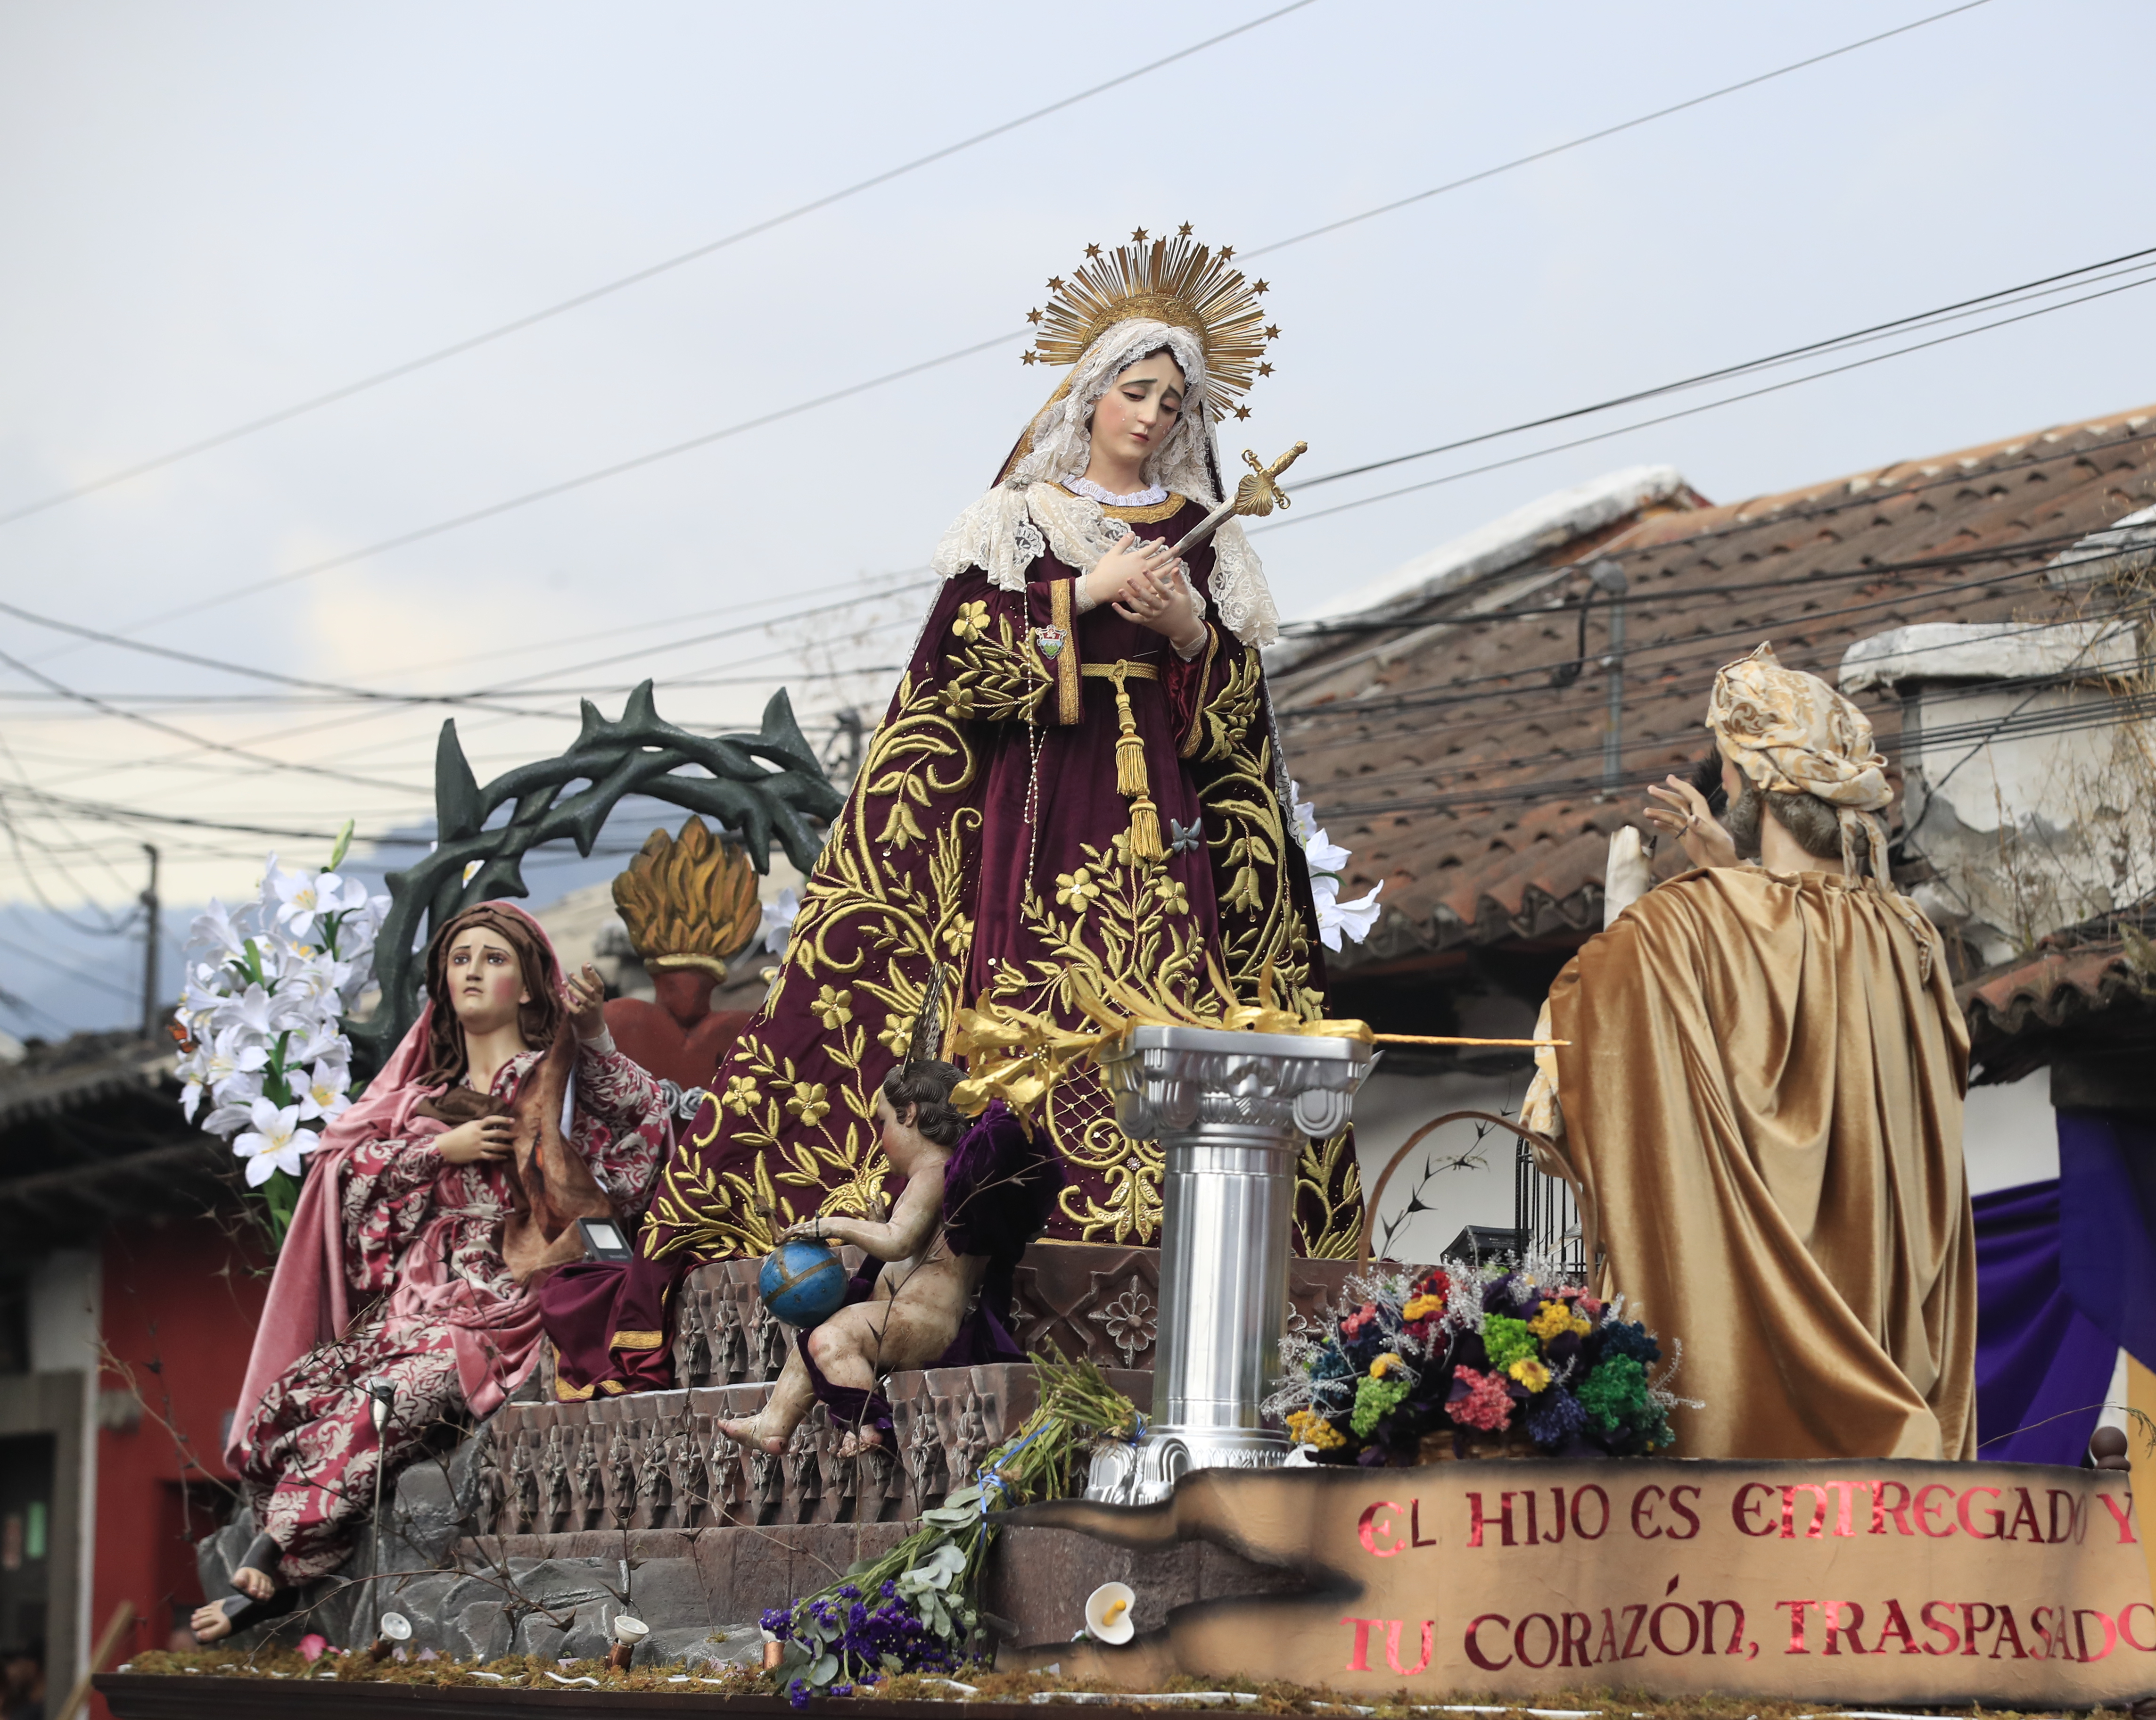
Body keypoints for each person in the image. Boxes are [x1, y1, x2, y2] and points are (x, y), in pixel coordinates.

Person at [552, 232, 1356, 1400]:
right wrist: (1084, 597)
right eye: (1133, 389)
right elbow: (955, 676)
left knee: (1178, 1005)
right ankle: (1023, 1201)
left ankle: (1170, 1199)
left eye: (1172, 398)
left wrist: (1187, 632)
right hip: (1044, 814)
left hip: (1167, 824)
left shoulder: (1206, 526)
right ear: (1088, 394)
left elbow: (1237, 730)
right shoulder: (1021, 519)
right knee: (1034, 1010)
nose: (1149, 413)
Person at [1522, 643, 1975, 1462]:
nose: (1719, 784)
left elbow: (1581, 1065)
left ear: (1757, 780)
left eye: (1728, 767)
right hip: (1900, 1374)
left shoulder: (1686, 924)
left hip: (1749, 1424)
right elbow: (1798, 943)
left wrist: (1627, 904)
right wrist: (1731, 873)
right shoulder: (1907, 940)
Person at [194, 903, 675, 1642]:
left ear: (528, 984)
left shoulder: (559, 1074)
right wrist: (436, 1152)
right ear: (443, 983)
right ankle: (286, 1550)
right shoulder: (417, 1101)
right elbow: (349, 1181)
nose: (474, 971)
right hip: (415, 1298)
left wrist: (591, 1039)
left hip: (510, 1292)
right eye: (461, 959)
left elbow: (642, 1131)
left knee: (391, 1400)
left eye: (494, 958)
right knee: (298, 1401)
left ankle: (277, 1557)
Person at [715, 1057, 1061, 1457]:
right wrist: (876, 1224)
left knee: (831, 1337)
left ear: (909, 1116)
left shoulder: (935, 1174)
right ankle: (773, 1424)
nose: (880, 1138)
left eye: (884, 1123)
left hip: (922, 1319)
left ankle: (867, 1423)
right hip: (903, 1314)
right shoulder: (937, 1178)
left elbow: (899, 1244)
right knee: (811, 1342)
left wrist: (834, 1226)